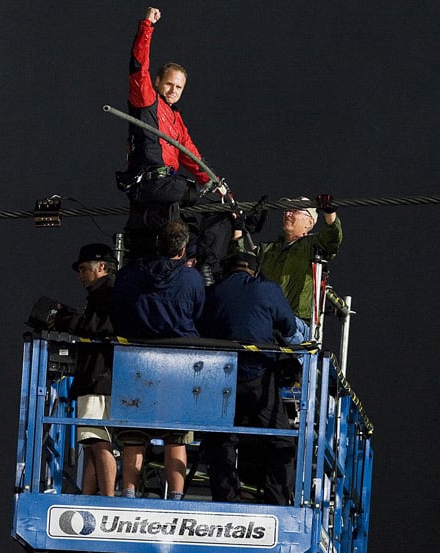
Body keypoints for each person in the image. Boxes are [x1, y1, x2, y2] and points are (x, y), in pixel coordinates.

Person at [117, 6, 236, 277]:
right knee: (203, 203)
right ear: (158, 81)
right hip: (151, 182)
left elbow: (192, 157)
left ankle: (203, 264)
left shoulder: (176, 120)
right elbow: (138, 66)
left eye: (179, 87)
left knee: (215, 207)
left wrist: (219, 186)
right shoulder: (146, 100)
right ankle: (202, 264)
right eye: (169, 84)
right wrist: (147, 26)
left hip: (167, 188)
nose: (173, 90)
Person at [112, 220, 204, 499]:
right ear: (183, 249)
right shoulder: (192, 279)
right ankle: (176, 497)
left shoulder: (130, 274)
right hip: (179, 364)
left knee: (134, 434)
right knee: (176, 435)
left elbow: (117, 312)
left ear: (156, 244)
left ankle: (128, 491)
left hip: (135, 361)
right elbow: (199, 313)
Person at [199, 252, 297, 505]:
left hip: (219, 378)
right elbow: (289, 326)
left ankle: (226, 499)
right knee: (282, 440)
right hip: (259, 376)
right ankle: (277, 502)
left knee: (219, 439)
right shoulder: (266, 289)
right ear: (254, 270)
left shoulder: (211, 293)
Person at [52, 243, 119, 497]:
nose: (80, 275)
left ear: (101, 266)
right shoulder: (103, 293)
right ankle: (88, 497)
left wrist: (65, 321)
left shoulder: (108, 292)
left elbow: (101, 326)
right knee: (91, 443)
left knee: (99, 441)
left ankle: (108, 500)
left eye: (83, 269)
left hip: (98, 379)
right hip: (95, 377)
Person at [252, 194, 342, 342]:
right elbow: (239, 265)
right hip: (266, 321)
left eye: (294, 210)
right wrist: (239, 228)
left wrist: (329, 213)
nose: (288, 214)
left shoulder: (312, 246)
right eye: (286, 210)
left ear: (309, 222)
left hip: (296, 324)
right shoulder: (268, 250)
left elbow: (333, 239)